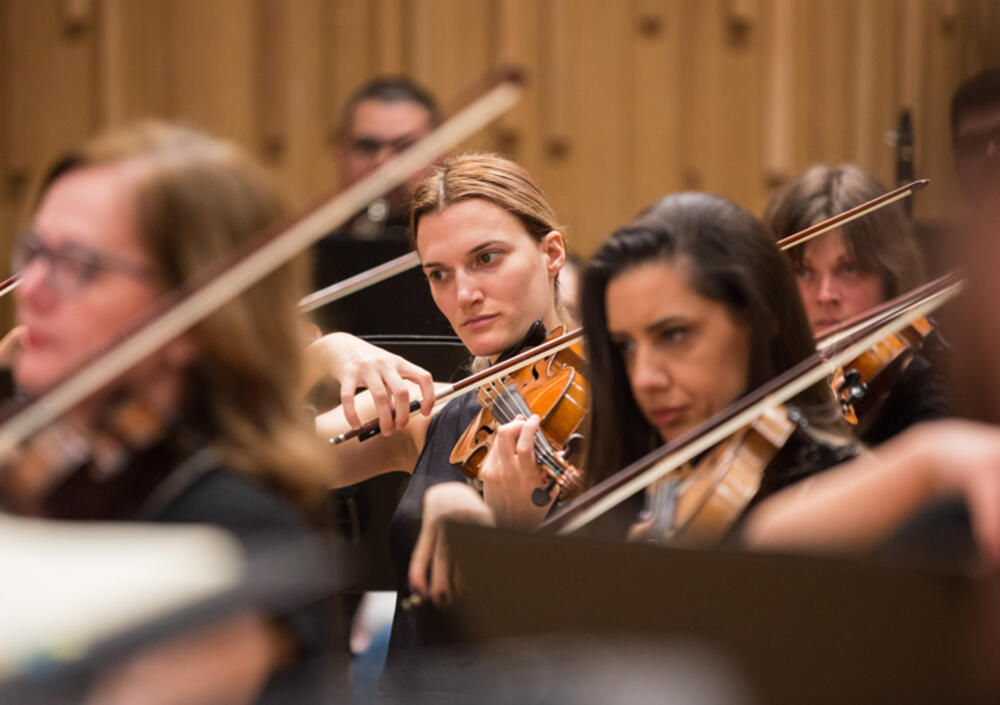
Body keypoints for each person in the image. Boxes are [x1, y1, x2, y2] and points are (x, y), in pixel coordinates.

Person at [7, 121, 338, 705]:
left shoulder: (232, 534)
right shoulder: (51, 476)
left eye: (79, 265)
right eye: (34, 253)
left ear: (192, 320)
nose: (32, 287)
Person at [310, 152, 573, 695]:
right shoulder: (441, 412)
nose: (464, 295)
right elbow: (264, 460)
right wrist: (326, 351)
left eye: (487, 258)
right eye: (439, 274)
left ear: (551, 253)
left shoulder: (614, 410)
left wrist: (516, 538)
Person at [578, 192, 855, 538]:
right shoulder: (660, 472)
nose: (643, 378)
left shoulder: (832, 496)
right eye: (627, 346)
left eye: (674, 335)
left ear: (761, 319)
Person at [763, 164, 948, 445]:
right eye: (802, 271)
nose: (826, 294)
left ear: (889, 278)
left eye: (848, 268)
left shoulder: (926, 400)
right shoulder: (766, 384)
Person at [330, 76, 441, 242]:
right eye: (368, 147)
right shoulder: (322, 240)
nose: (385, 166)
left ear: (440, 154)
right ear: (342, 154)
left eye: (405, 148)